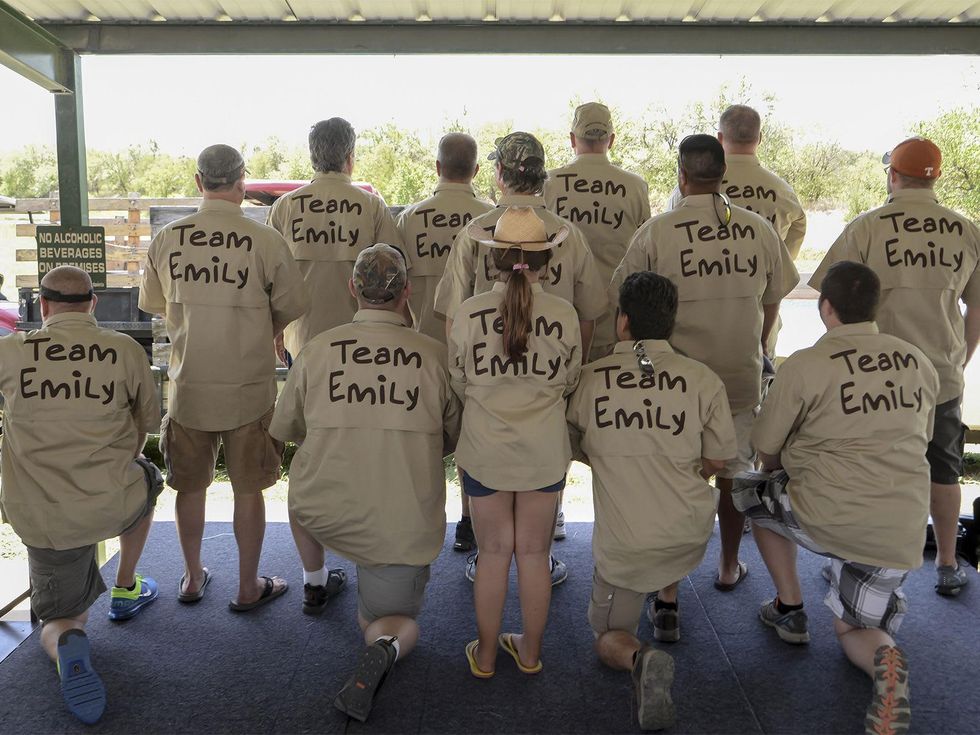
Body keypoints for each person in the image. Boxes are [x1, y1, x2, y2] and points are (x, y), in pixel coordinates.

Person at [741, 261, 939, 735]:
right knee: (856, 630)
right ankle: (886, 662)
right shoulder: (918, 362)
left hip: (823, 514)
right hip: (900, 526)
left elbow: (765, 451)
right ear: (877, 306)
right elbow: (922, 439)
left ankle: (790, 607)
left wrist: (786, 465)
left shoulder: (806, 364)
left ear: (826, 308)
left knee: (750, 491)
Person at [270, 244, 461, 722]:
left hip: (324, 508)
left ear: (353, 289)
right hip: (399, 525)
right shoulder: (435, 357)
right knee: (381, 622)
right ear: (407, 293)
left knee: (300, 493)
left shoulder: (315, 351)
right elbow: (453, 437)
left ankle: (315, 582)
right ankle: (385, 643)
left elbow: (285, 430)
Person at [610, 134, 798, 593]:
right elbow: (774, 300)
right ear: (723, 176)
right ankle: (729, 565)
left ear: (681, 176)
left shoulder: (657, 230)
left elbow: (626, 294)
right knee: (733, 481)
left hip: (673, 384)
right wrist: (757, 342)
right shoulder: (758, 228)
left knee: (671, 478)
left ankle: (668, 591)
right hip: (738, 379)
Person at [140, 144, 311, 613]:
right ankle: (246, 585)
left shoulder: (168, 238)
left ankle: (193, 577)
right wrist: (265, 329)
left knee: (189, 487)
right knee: (249, 489)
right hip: (249, 389)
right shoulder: (265, 240)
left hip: (189, 385)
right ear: (241, 181)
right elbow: (292, 307)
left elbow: (154, 304)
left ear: (199, 182)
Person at [809, 137, 980, 596]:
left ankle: (856, 559)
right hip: (941, 377)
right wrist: (959, 360)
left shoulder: (867, 226)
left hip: (872, 379)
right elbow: (977, 309)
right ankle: (947, 562)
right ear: (936, 177)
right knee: (943, 469)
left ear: (892, 175)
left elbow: (830, 299)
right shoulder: (965, 230)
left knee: (865, 466)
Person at [567, 271, 736, 731]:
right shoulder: (702, 379)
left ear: (622, 322)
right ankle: (666, 603)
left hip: (626, 549)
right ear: (671, 323)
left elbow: (574, 442)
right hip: (687, 536)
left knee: (607, 637)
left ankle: (641, 658)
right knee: (665, 517)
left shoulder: (589, 379)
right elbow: (718, 460)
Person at [435, 131, 607, 576]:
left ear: (497, 174)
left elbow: (453, 318)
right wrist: (572, 372)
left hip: (486, 381)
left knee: (485, 459)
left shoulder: (476, 233)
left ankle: (476, 534)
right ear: (542, 175)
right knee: (549, 450)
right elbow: (589, 313)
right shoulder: (569, 235)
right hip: (550, 374)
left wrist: (464, 382)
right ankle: (543, 543)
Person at [0, 266, 162, 724]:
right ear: (93, 304)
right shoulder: (124, 349)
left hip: (44, 515)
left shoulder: (9, 353)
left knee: (62, 620)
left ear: (44, 307)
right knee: (148, 477)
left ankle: (67, 641)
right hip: (113, 500)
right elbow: (149, 421)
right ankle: (126, 585)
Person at [448, 206, 582, 678]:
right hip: (544, 455)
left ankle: (484, 656)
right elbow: (569, 383)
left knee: (493, 555)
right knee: (533, 555)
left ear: (493, 262)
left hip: (484, 453)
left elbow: (460, 383)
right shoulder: (565, 315)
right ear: (547, 262)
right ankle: (530, 652)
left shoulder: (467, 313)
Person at [396, 132, 493, 554]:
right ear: (475, 171)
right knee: (472, 436)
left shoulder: (410, 219)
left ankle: (421, 517)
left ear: (437, 168)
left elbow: (395, 289)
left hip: (422, 348)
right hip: (478, 351)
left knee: (424, 438)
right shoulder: (491, 220)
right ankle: (468, 523)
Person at [669, 105, 807, 357]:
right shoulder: (782, 190)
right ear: (760, 138)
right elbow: (792, 242)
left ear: (720, 138)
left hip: (696, 315)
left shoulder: (690, 185)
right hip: (758, 314)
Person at [268, 117, 404, 363]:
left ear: (312, 157)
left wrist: (278, 331)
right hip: (362, 342)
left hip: (301, 340)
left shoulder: (284, 207)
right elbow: (394, 275)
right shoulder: (372, 205)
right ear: (350, 157)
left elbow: (273, 280)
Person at [544, 102, 651, 362]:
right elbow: (645, 250)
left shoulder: (549, 183)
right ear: (611, 139)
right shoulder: (635, 186)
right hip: (616, 322)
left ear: (572, 139)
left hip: (556, 320)